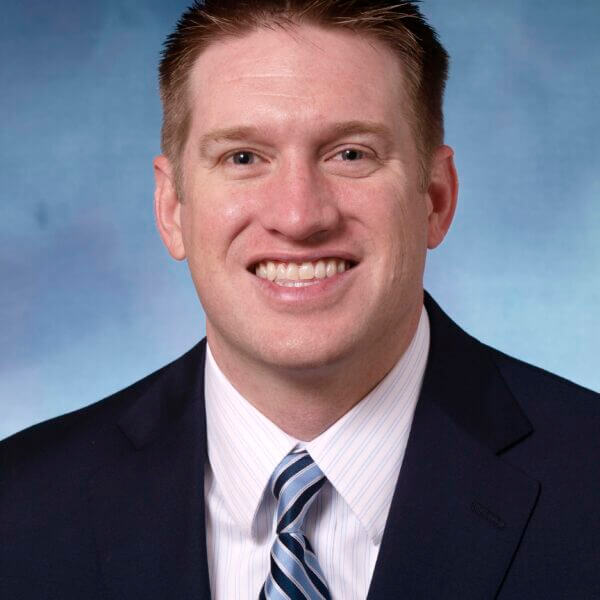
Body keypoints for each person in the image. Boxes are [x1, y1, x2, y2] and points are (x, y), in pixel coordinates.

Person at [1, 1, 598, 598]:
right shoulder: (20, 508)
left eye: (350, 154)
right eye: (243, 157)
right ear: (172, 209)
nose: (298, 216)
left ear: (436, 199)